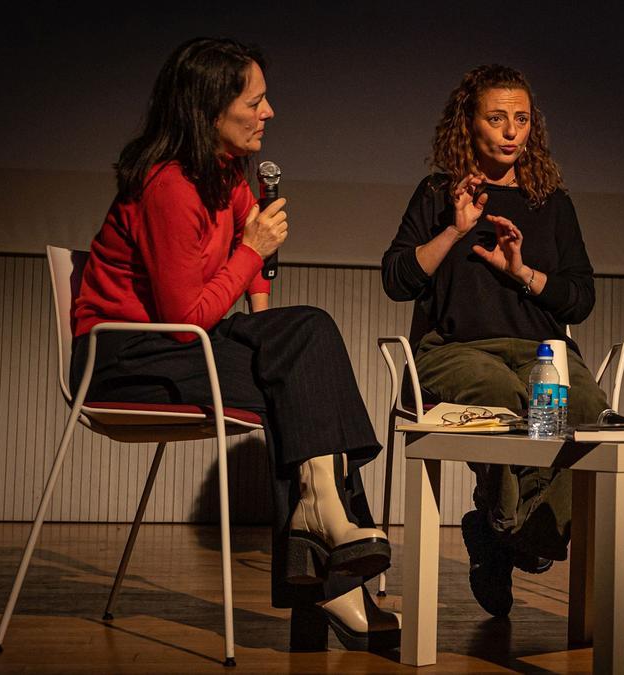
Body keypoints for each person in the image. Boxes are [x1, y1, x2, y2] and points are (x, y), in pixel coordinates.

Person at [70, 38, 399, 652]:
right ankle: (333, 580)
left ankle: (322, 524)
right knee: (300, 387)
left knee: (307, 341)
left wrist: (270, 330)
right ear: (211, 110)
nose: (270, 111)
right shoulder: (168, 185)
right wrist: (253, 250)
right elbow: (181, 317)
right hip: (127, 358)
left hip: (185, 342)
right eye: (257, 100)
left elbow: (248, 278)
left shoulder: (225, 174)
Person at [381, 64, 609, 618]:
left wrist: (523, 273)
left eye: (522, 119)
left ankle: (501, 528)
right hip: (454, 351)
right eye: (497, 118)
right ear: (469, 124)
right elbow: (397, 279)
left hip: (543, 352)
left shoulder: (550, 201)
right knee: (502, 394)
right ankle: (513, 527)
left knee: (587, 407)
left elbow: (580, 299)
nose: (512, 131)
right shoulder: (439, 192)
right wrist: (456, 229)